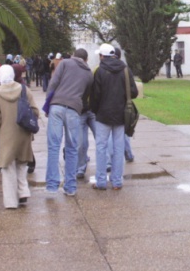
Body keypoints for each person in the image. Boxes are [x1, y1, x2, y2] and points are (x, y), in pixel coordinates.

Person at [0, 65, 38, 209]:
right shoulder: (24, 90)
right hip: (23, 132)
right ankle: (23, 192)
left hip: (6, 134)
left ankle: (11, 201)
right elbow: (35, 111)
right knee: (22, 164)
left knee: (8, 167)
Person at [46, 49, 93, 196]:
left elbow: (53, 84)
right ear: (86, 59)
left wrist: (48, 104)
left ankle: (52, 185)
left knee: (54, 146)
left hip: (57, 105)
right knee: (72, 147)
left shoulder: (64, 63)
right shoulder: (89, 74)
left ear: (73, 55)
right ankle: (71, 187)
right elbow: (85, 96)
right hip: (74, 109)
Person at [90, 43, 138, 190]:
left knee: (101, 148)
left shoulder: (100, 71)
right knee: (118, 148)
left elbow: (95, 95)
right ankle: (117, 182)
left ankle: (101, 181)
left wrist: (95, 110)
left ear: (102, 56)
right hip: (121, 114)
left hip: (103, 114)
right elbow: (134, 92)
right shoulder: (125, 69)